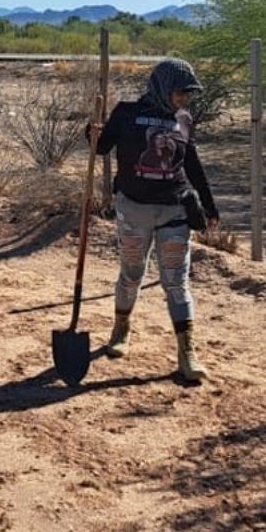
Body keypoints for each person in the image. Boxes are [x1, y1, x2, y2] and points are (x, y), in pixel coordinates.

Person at [93, 57, 219, 382]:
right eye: (180, 92)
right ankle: (121, 329)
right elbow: (102, 148)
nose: (184, 99)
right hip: (133, 209)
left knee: (176, 280)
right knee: (132, 272)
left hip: (174, 210)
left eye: (187, 94)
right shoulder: (125, 113)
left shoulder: (183, 120)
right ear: (163, 87)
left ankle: (187, 352)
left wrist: (209, 205)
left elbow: (192, 164)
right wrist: (91, 133)